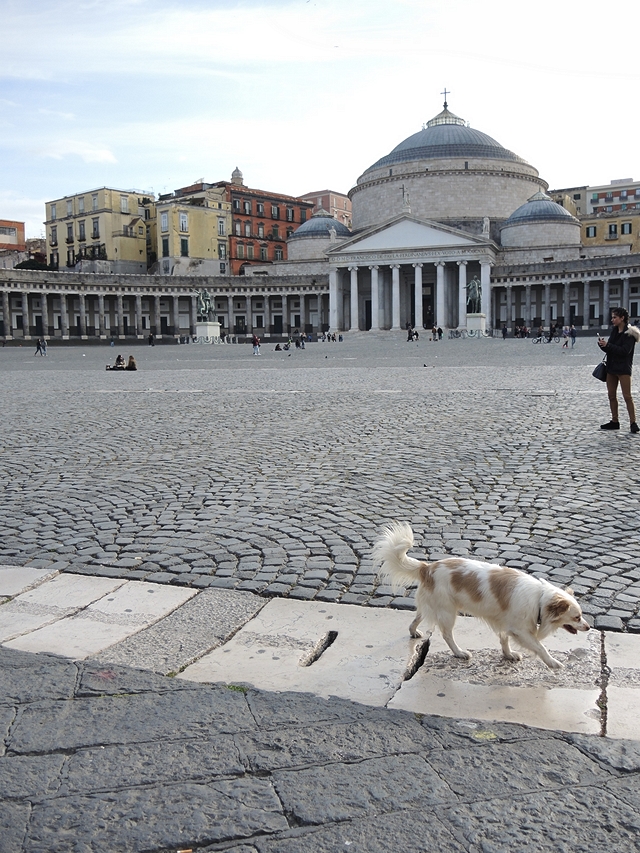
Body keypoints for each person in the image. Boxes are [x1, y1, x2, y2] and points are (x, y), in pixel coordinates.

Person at [597, 307, 640, 433]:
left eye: (615, 317)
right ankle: (615, 421)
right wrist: (603, 345)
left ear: (622, 318)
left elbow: (624, 351)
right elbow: (611, 349)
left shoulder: (630, 334)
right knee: (611, 395)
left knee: (627, 396)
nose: (612, 320)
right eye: (612, 317)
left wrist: (608, 345)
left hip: (623, 369)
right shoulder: (614, 331)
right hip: (611, 368)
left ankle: (633, 422)